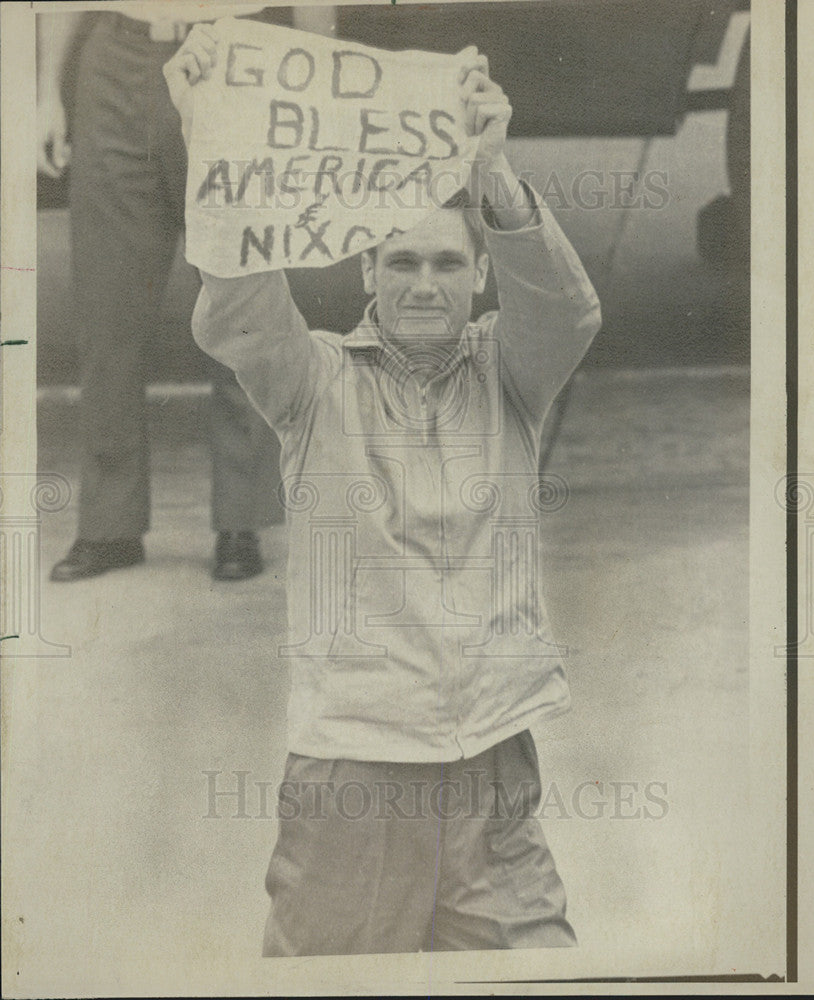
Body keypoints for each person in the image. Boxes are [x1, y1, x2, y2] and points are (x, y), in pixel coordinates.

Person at [166, 24, 602, 955]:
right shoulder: (312, 382)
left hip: (493, 760)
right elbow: (240, 308)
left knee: (540, 968)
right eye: (400, 262)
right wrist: (218, 142)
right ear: (366, 272)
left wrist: (490, 167)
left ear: (481, 276)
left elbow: (565, 308)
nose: (422, 283)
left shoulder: (512, 377)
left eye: (448, 263)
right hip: (356, 770)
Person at [37, 7, 281, 582]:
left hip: (233, 54)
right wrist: (47, 91)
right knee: (106, 305)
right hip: (117, 56)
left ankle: (239, 520)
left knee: (239, 298)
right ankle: (109, 525)